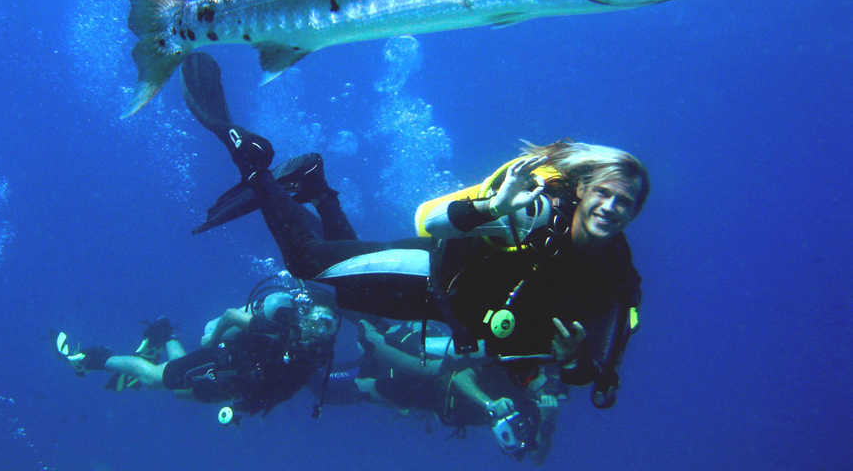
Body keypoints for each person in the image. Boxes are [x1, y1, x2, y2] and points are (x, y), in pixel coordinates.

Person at [183, 52, 647, 408]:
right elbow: (428, 221)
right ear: (584, 190)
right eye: (604, 193)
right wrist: (492, 207)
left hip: (442, 312)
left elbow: (595, 378)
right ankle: (252, 161)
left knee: (338, 293)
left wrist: (572, 358)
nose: (610, 207)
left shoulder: (617, 282)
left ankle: (314, 186)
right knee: (308, 265)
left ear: (634, 214)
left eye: (624, 202)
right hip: (426, 272)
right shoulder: (538, 215)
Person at [52, 276, 340, 423]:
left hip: (233, 385)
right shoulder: (279, 330)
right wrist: (213, 342)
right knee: (153, 379)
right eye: (322, 321)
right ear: (306, 316)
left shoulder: (316, 356)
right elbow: (231, 315)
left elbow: (285, 387)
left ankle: (164, 333)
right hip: (218, 362)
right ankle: (92, 359)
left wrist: (245, 407)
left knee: (178, 391)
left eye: (333, 325)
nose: (326, 330)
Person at [318, 319, 565, 463]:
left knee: (359, 389)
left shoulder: (536, 411)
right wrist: (489, 403)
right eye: (542, 377)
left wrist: (547, 423)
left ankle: (310, 374)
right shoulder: (515, 369)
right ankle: (339, 309)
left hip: (425, 399)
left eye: (551, 386)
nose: (542, 387)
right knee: (371, 342)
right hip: (430, 374)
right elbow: (460, 376)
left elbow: (536, 459)